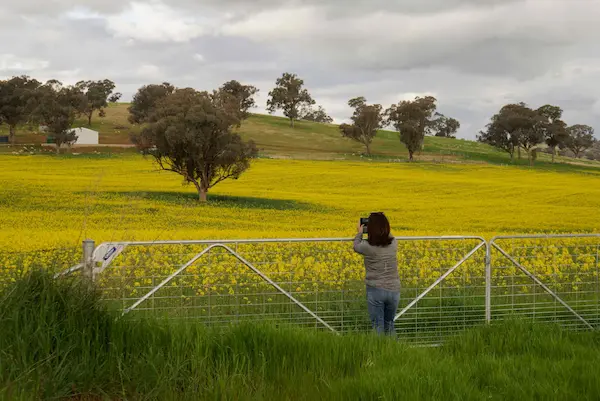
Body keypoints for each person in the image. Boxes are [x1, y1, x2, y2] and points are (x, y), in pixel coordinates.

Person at [353, 212, 400, 336]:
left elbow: (356, 245)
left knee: (377, 326)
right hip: (394, 290)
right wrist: (382, 227)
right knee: (389, 324)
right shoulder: (394, 243)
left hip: (376, 290)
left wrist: (359, 232)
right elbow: (388, 236)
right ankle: (393, 352)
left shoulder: (367, 246)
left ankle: (378, 353)